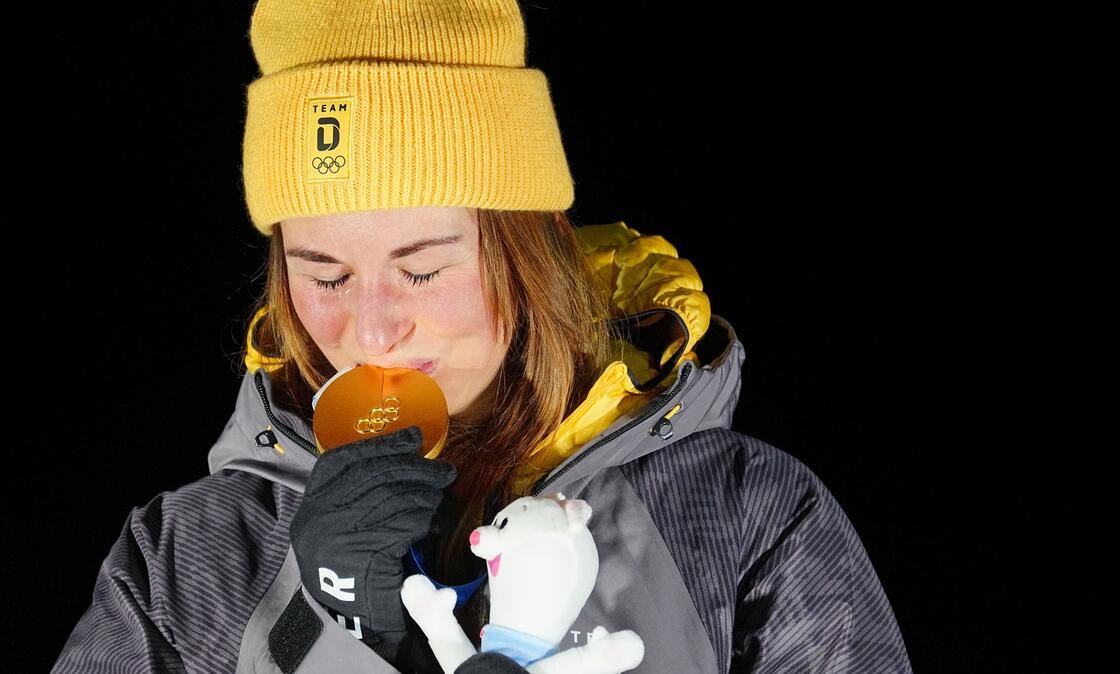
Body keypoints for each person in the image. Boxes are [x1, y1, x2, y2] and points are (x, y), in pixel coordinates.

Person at [54, 1, 913, 673]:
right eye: (324, 274)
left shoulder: (744, 520)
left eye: (421, 270)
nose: (374, 329)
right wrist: (341, 635)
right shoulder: (188, 558)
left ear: (526, 252)